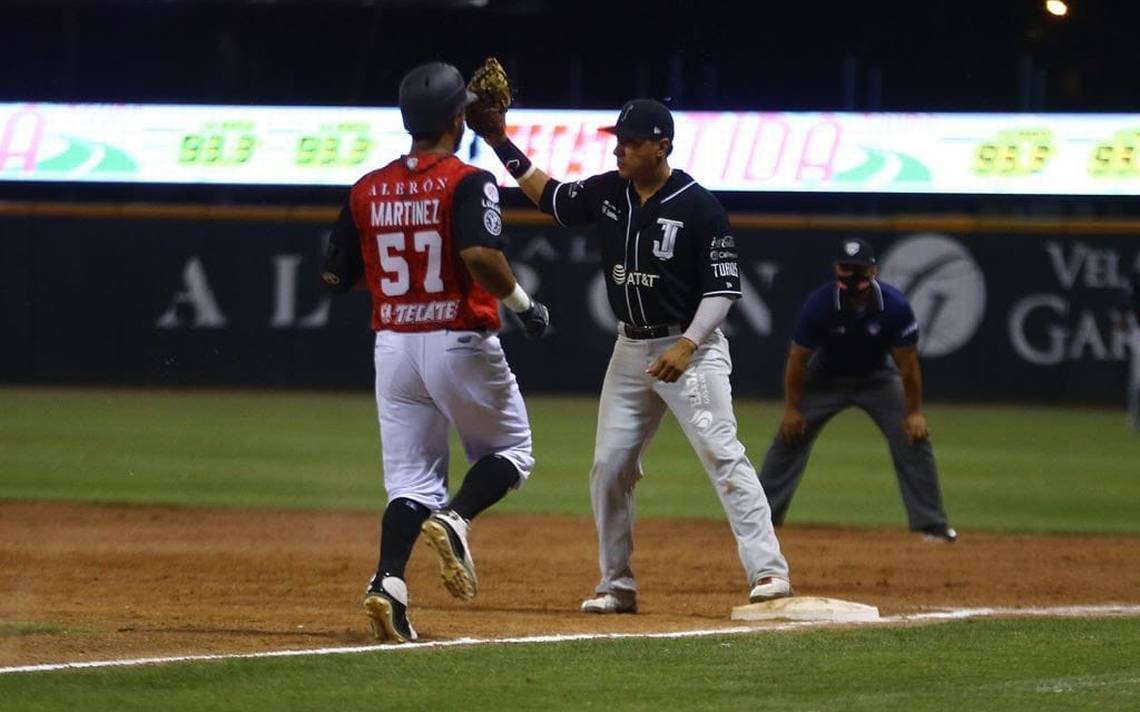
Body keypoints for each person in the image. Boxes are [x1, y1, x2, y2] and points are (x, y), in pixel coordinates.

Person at [467, 97, 792, 613]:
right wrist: (498, 140)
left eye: (633, 141)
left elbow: (724, 288)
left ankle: (769, 572)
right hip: (631, 347)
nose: (620, 148)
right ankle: (616, 585)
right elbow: (550, 198)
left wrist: (688, 345)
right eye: (617, 139)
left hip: (693, 348)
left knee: (722, 453)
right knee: (609, 465)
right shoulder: (610, 191)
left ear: (661, 145)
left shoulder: (698, 205)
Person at [320, 61, 550, 643]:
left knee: (410, 483)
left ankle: (388, 584)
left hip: (394, 344)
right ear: (457, 118)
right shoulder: (468, 180)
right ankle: (456, 518)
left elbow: (334, 274)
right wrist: (524, 305)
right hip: (457, 335)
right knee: (512, 451)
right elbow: (480, 256)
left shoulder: (367, 187)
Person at [756, 239, 957, 542]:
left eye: (859, 269)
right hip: (825, 379)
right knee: (788, 437)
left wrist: (914, 413)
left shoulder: (894, 306)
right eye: (845, 268)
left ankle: (932, 524)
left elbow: (908, 366)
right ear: (836, 269)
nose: (852, 276)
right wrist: (792, 410)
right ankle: (760, 521)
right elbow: (797, 360)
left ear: (873, 271)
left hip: (877, 378)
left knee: (913, 436)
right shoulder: (820, 304)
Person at [1114, 271, 1140, 432]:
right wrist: (1122, 319)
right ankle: (1134, 420)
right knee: (1137, 383)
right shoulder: (1137, 279)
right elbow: (1124, 303)